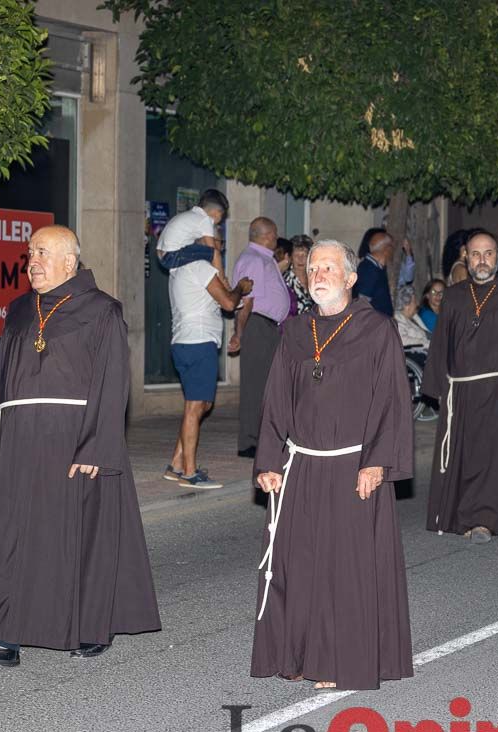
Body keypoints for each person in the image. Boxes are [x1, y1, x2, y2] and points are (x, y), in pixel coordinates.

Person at [0, 225, 161, 667]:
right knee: (11, 535)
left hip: (75, 441)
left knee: (77, 537)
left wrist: (96, 447)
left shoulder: (103, 310)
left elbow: (112, 382)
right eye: (30, 253)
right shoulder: (18, 310)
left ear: (70, 261)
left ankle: (88, 626)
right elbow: (8, 382)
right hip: (22, 443)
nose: (33, 261)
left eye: (43, 253)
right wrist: (0, 437)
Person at [251, 238, 413, 690]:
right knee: (299, 564)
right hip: (302, 466)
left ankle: (339, 659)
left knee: (344, 569)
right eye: (313, 269)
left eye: (328, 268)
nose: (318, 275)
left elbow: (391, 400)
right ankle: (300, 653)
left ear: (350, 277)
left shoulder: (376, 329)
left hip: (352, 467)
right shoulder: (298, 332)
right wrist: (269, 460)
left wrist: (376, 462)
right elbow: (276, 400)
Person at [422, 230, 498, 542]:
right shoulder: (455, 296)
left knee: (488, 456)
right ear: (466, 258)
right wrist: (437, 387)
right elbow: (441, 344)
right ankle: (459, 517)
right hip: (459, 390)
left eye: (488, 253)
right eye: (475, 254)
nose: (482, 260)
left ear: (497, 258)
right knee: (461, 454)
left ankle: (484, 520)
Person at [166, 227, 253, 488]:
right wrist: (241, 287)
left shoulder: (180, 271)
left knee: (200, 405)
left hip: (186, 341)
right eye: (217, 242)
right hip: (198, 342)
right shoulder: (200, 268)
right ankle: (190, 473)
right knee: (196, 407)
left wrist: (234, 296)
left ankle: (177, 463)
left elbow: (218, 301)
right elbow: (228, 303)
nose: (221, 247)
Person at [230, 217, 288, 458]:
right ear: (265, 235)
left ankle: (262, 437)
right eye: (274, 234)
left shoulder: (263, 258)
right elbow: (247, 301)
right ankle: (249, 442)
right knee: (255, 386)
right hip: (257, 325)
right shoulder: (254, 259)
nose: (276, 238)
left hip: (267, 327)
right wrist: (239, 333)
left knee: (266, 385)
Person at [155, 188, 228, 272]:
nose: (220, 220)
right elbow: (212, 251)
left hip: (161, 255)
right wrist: (221, 277)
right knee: (215, 254)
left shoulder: (190, 215)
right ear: (217, 213)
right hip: (172, 256)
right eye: (222, 216)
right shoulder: (205, 220)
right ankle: (221, 280)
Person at [352, 228, 395, 316]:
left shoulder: (376, 267)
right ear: (387, 249)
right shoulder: (369, 270)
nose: (393, 251)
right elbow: (362, 303)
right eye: (392, 247)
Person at [284, 233, 314, 315]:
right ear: (290, 257)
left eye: (304, 255)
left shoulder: (315, 277)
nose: (300, 259)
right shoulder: (285, 280)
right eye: (296, 255)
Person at [395, 284, 431, 349]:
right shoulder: (398, 321)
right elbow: (402, 341)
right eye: (414, 302)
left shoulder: (414, 317)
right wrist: (427, 343)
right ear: (407, 306)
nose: (417, 304)